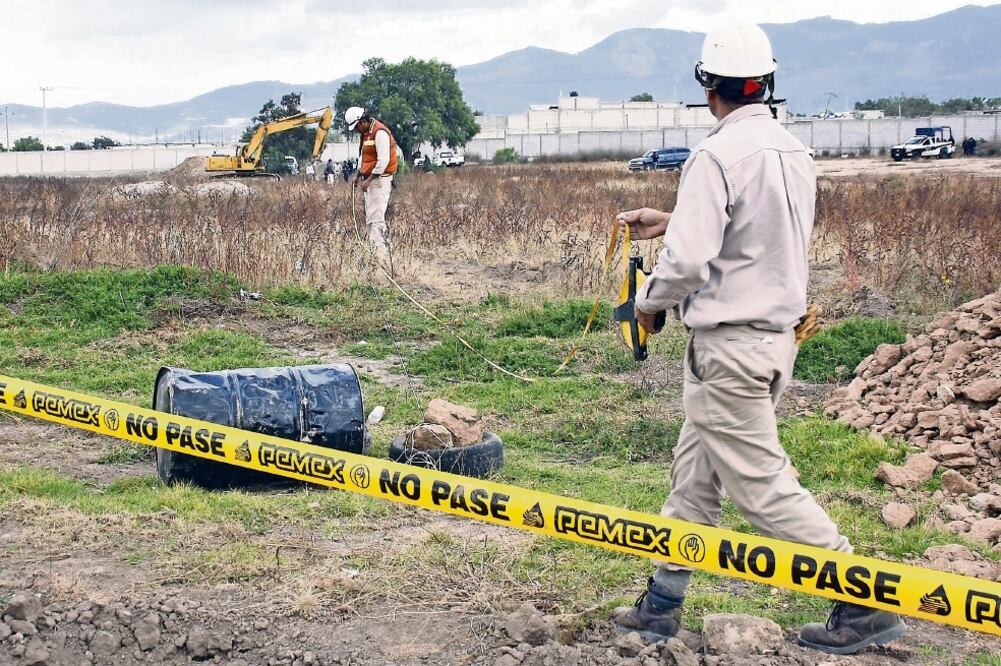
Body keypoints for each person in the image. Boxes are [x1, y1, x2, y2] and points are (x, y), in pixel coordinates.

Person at [610, 21, 906, 656]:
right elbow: (756, 229)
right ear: (766, 84)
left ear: (708, 88)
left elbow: (687, 266)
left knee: (761, 486)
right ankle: (663, 601)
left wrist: (646, 302)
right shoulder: (793, 151)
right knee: (694, 478)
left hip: (729, 351)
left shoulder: (713, 157)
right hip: (772, 343)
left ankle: (864, 597)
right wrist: (674, 216)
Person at [345, 107, 398, 269]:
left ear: (362, 121)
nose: (355, 130)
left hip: (379, 181)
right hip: (370, 180)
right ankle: (376, 255)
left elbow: (382, 161)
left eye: (356, 127)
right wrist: (359, 175)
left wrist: (368, 180)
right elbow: (365, 159)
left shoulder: (380, 133)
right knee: (371, 220)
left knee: (376, 220)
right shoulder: (366, 134)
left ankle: (382, 261)